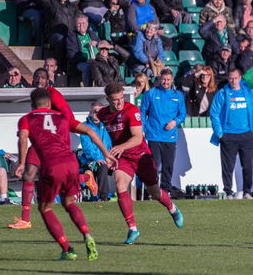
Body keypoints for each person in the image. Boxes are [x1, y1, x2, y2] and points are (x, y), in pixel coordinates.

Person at [15, 88, 114, 261]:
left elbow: (23, 139)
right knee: (69, 203)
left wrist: (22, 163)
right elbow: (91, 131)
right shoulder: (63, 118)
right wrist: (106, 153)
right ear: (49, 103)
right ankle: (87, 235)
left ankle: (67, 249)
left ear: (32, 104)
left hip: (52, 165)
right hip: (71, 163)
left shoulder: (27, 119)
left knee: (45, 208)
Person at [9, 68, 99, 230]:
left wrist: (67, 132)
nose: (39, 80)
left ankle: (86, 178)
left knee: (58, 181)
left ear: (48, 80)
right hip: (39, 142)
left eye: (42, 77)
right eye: (36, 77)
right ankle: (25, 219)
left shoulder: (53, 95)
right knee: (28, 175)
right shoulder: (37, 96)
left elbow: (68, 117)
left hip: (54, 144)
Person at [98, 83, 184, 244]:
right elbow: (102, 135)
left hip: (140, 155)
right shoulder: (103, 114)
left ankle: (172, 208)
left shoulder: (131, 110)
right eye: (115, 100)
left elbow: (137, 137)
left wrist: (118, 148)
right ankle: (133, 229)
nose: (119, 103)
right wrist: (109, 154)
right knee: (119, 183)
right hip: (123, 157)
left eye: (121, 98)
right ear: (108, 99)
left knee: (155, 192)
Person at [209, 68, 253, 199]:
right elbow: (214, 113)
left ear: (240, 78)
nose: (233, 81)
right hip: (228, 135)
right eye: (231, 78)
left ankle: (247, 191)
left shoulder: (248, 93)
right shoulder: (222, 93)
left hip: (246, 135)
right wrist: (220, 133)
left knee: (248, 165)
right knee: (227, 166)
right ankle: (228, 192)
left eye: (236, 78)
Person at [141, 68, 187, 195]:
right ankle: (153, 190)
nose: (166, 82)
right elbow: (142, 112)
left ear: (172, 80)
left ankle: (165, 190)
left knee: (168, 165)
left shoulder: (178, 95)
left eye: (168, 79)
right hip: (154, 135)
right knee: (154, 166)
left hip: (170, 136)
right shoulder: (150, 94)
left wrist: (174, 122)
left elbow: (182, 114)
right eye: (163, 79)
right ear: (159, 79)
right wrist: (142, 129)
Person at [78, 102, 116, 201]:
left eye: (99, 112)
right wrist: (97, 158)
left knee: (118, 166)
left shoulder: (107, 126)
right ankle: (103, 197)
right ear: (90, 113)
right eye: (95, 111)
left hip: (105, 159)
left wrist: (111, 159)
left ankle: (116, 195)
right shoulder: (85, 126)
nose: (97, 114)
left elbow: (110, 145)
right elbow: (87, 148)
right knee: (102, 166)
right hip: (90, 161)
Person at [66, 14, 99, 87]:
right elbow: (71, 55)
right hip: (80, 62)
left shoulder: (91, 33)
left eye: (83, 23)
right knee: (87, 67)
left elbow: (100, 44)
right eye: (79, 23)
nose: (81, 25)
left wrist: (96, 44)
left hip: (95, 60)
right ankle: (88, 88)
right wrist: (86, 59)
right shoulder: (72, 36)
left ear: (87, 24)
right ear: (75, 24)